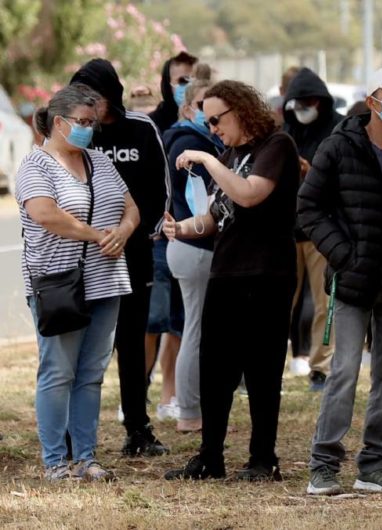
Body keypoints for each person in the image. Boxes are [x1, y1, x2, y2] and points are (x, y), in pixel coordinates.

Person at [299, 67, 382, 496]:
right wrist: (343, 255)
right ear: (372, 101)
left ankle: (374, 463)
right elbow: (309, 209)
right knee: (345, 371)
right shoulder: (338, 147)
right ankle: (324, 464)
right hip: (353, 281)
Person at [163, 80, 299, 481]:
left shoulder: (276, 147)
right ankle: (210, 457)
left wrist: (207, 159)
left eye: (217, 119)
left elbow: (249, 194)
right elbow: (216, 216)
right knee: (216, 368)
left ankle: (263, 459)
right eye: (208, 121)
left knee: (262, 369)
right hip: (225, 272)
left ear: (241, 110)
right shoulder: (230, 154)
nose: (214, 128)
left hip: (267, 274)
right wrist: (183, 227)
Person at [17, 85, 140, 481]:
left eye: (93, 123)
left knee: (91, 374)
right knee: (58, 372)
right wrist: (97, 235)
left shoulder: (99, 161)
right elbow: (45, 213)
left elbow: (131, 208)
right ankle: (56, 461)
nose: (90, 130)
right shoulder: (35, 166)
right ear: (59, 122)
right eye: (83, 123)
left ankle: (87, 457)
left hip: (106, 281)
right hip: (59, 285)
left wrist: (123, 230)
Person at [70, 58, 171, 457]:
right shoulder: (78, 133)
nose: (87, 103)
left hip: (134, 253)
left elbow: (160, 191)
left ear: (111, 93)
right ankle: (72, 433)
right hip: (85, 255)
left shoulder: (142, 129)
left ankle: (138, 428)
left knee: (131, 343)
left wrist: (133, 234)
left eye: (92, 95)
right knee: (83, 346)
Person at [162, 77, 222, 433]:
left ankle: (191, 408)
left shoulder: (191, 141)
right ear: (187, 108)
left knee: (195, 328)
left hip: (187, 243)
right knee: (195, 330)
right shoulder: (190, 146)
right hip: (194, 244)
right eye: (203, 107)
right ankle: (189, 412)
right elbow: (202, 204)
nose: (210, 116)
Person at [281, 67, 344, 388]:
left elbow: (343, 178)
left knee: (324, 303)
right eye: (298, 102)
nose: (303, 108)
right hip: (286, 230)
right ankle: (265, 363)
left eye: (309, 101)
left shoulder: (337, 129)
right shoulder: (286, 129)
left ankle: (321, 366)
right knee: (281, 301)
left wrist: (311, 171)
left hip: (322, 230)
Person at [150, 51, 199, 133]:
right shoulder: (152, 124)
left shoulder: (208, 118)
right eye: (183, 80)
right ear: (167, 85)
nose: (191, 86)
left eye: (196, 80)